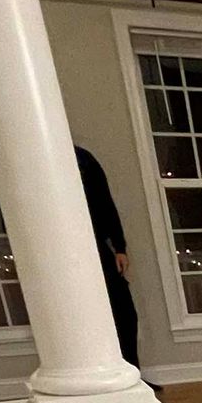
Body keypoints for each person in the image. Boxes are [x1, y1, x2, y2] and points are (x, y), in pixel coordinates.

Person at [73, 144, 141, 372]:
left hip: (97, 245)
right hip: (64, 250)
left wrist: (119, 246)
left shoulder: (84, 159)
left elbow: (105, 202)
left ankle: (132, 373)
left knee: (125, 314)